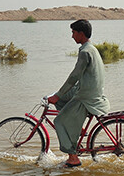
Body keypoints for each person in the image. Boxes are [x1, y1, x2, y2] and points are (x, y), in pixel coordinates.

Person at [47, 19, 110, 167]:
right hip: (90, 89)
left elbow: (74, 76)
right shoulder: (91, 48)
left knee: (59, 121)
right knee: (61, 100)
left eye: (73, 33)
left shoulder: (85, 52)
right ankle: (78, 127)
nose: (72, 36)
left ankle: (73, 158)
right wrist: (60, 95)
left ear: (81, 34)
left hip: (86, 95)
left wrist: (57, 94)